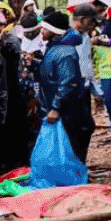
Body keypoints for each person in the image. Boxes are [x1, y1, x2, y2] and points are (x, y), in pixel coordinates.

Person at [36, 11, 96, 163]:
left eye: (45, 28)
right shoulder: (55, 46)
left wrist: (56, 107)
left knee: (73, 141)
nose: (41, 31)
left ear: (54, 31)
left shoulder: (65, 52)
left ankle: (77, 174)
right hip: (62, 105)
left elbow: (67, 83)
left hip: (69, 107)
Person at [0, 10, 31, 178]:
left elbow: (15, 55)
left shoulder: (11, 40)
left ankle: (21, 172)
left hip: (14, 101)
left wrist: (5, 45)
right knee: (0, 141)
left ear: (6, 26)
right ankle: (6, 171)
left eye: (0, 25)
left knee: (18, 139)